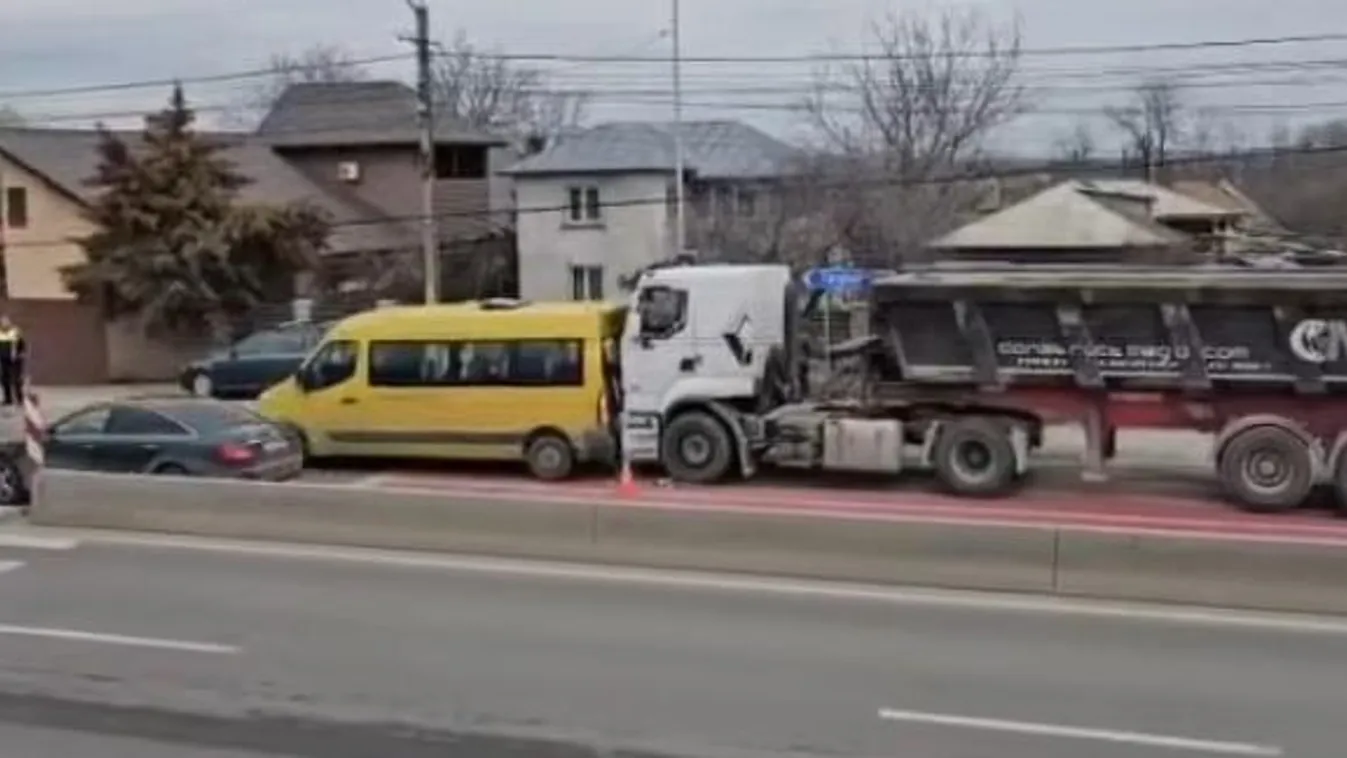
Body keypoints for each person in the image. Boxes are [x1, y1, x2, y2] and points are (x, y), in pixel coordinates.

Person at [0, 315, 26, 408]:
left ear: (9, 322)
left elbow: (22, 343)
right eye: (2, 322)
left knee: (16, 379)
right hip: (4, 360)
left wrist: (22, 353)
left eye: (6, 322)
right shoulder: (0, 333)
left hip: (15, 359)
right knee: (4, 379)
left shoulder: (15, 331)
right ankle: (8, 400)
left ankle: (20, 399)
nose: (4, 324)